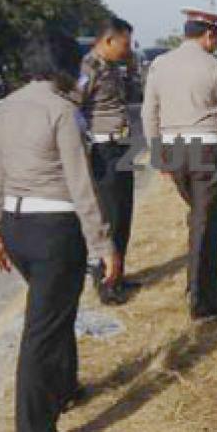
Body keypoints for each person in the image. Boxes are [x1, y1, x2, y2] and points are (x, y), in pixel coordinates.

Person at [0, 31, 121, 432]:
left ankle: (65, 388)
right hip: (54, 230)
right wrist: (105, 245)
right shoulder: (62, 111)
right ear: (62, 67)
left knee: (54, 314)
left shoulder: (3, 108)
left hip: (19, 226)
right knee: (42, 333)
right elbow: (82, 186)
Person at [141, 7, 217, 321]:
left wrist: (158, 154)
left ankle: (194, 285)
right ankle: (202, 300)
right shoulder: (215, 67)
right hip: (205, 151)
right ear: (209, 34)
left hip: (173, 150)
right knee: (207, 225)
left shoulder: (159, 65)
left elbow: (148, 113)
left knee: (198, 217)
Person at [76, 16, 137, 305]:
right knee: (110, 217)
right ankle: (106, 282)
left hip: (122, 146)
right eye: (124, 44)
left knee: (124, 213)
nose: (128, 49)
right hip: (104, 150)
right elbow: (75, 107)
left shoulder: (113, 67)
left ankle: (119, 273)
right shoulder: (89, 68)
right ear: (108, 40)